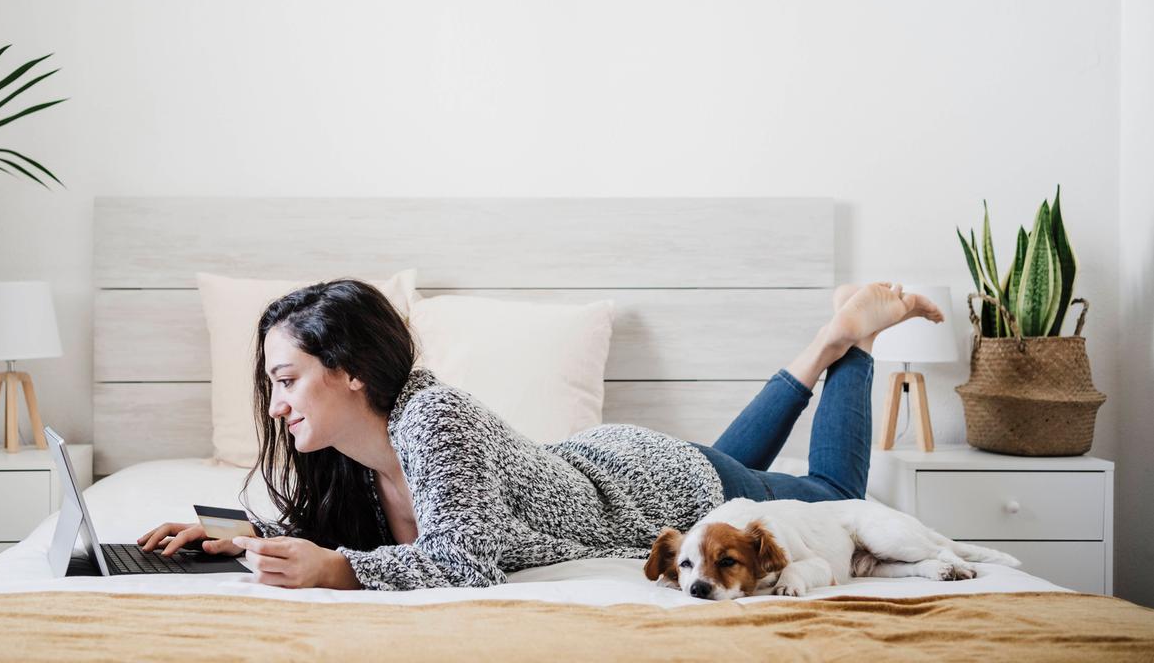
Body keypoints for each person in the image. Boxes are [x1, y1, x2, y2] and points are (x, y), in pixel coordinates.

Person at [138, 280, 943, 591]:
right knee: (736, 464)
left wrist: (338, 572)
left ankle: (856, 342)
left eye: (286, 382)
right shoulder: (351, 456)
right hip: (607, 462)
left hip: (652, 483)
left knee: (831, 501)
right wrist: (239, 537)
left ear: (349, 370)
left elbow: (464, 561)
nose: (276, 408)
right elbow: (349, 534)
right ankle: (819, 347)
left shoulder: (430, 417)